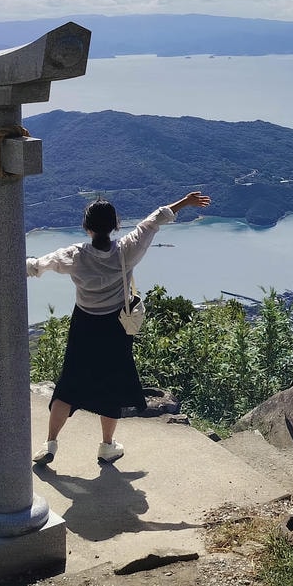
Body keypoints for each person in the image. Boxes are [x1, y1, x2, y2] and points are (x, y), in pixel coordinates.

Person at [26, 189, 210, 466]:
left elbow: (39, 265)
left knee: (69, 384)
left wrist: (13, 262)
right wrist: (185, 202)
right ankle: (107, 446)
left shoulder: (74, 256)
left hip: (84, 326)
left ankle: (50, 442)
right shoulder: (127, 251)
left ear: (86, 227)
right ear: (115, 225)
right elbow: (153, 221)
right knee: (111, 385)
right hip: (115, 327)